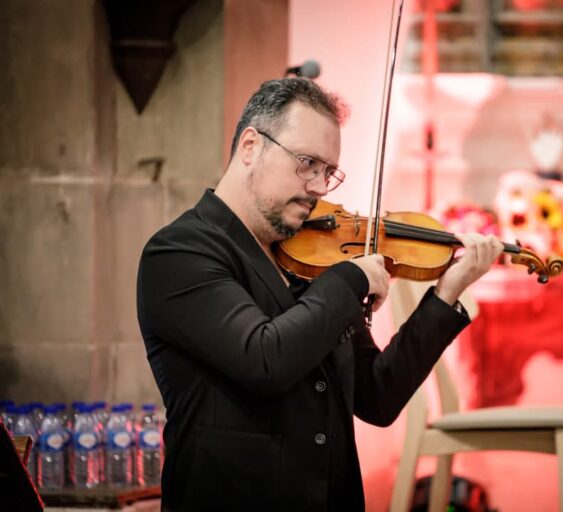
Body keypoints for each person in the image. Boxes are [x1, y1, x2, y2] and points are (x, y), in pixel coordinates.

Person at [136, 78, 503, 511]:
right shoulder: (181, 251)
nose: (318, 187)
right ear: (250, 146)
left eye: (328, 172)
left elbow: (377, 397)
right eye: (307, 163)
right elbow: (264, 358)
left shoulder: (312, 264)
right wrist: (349, 279)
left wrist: (444, 296)